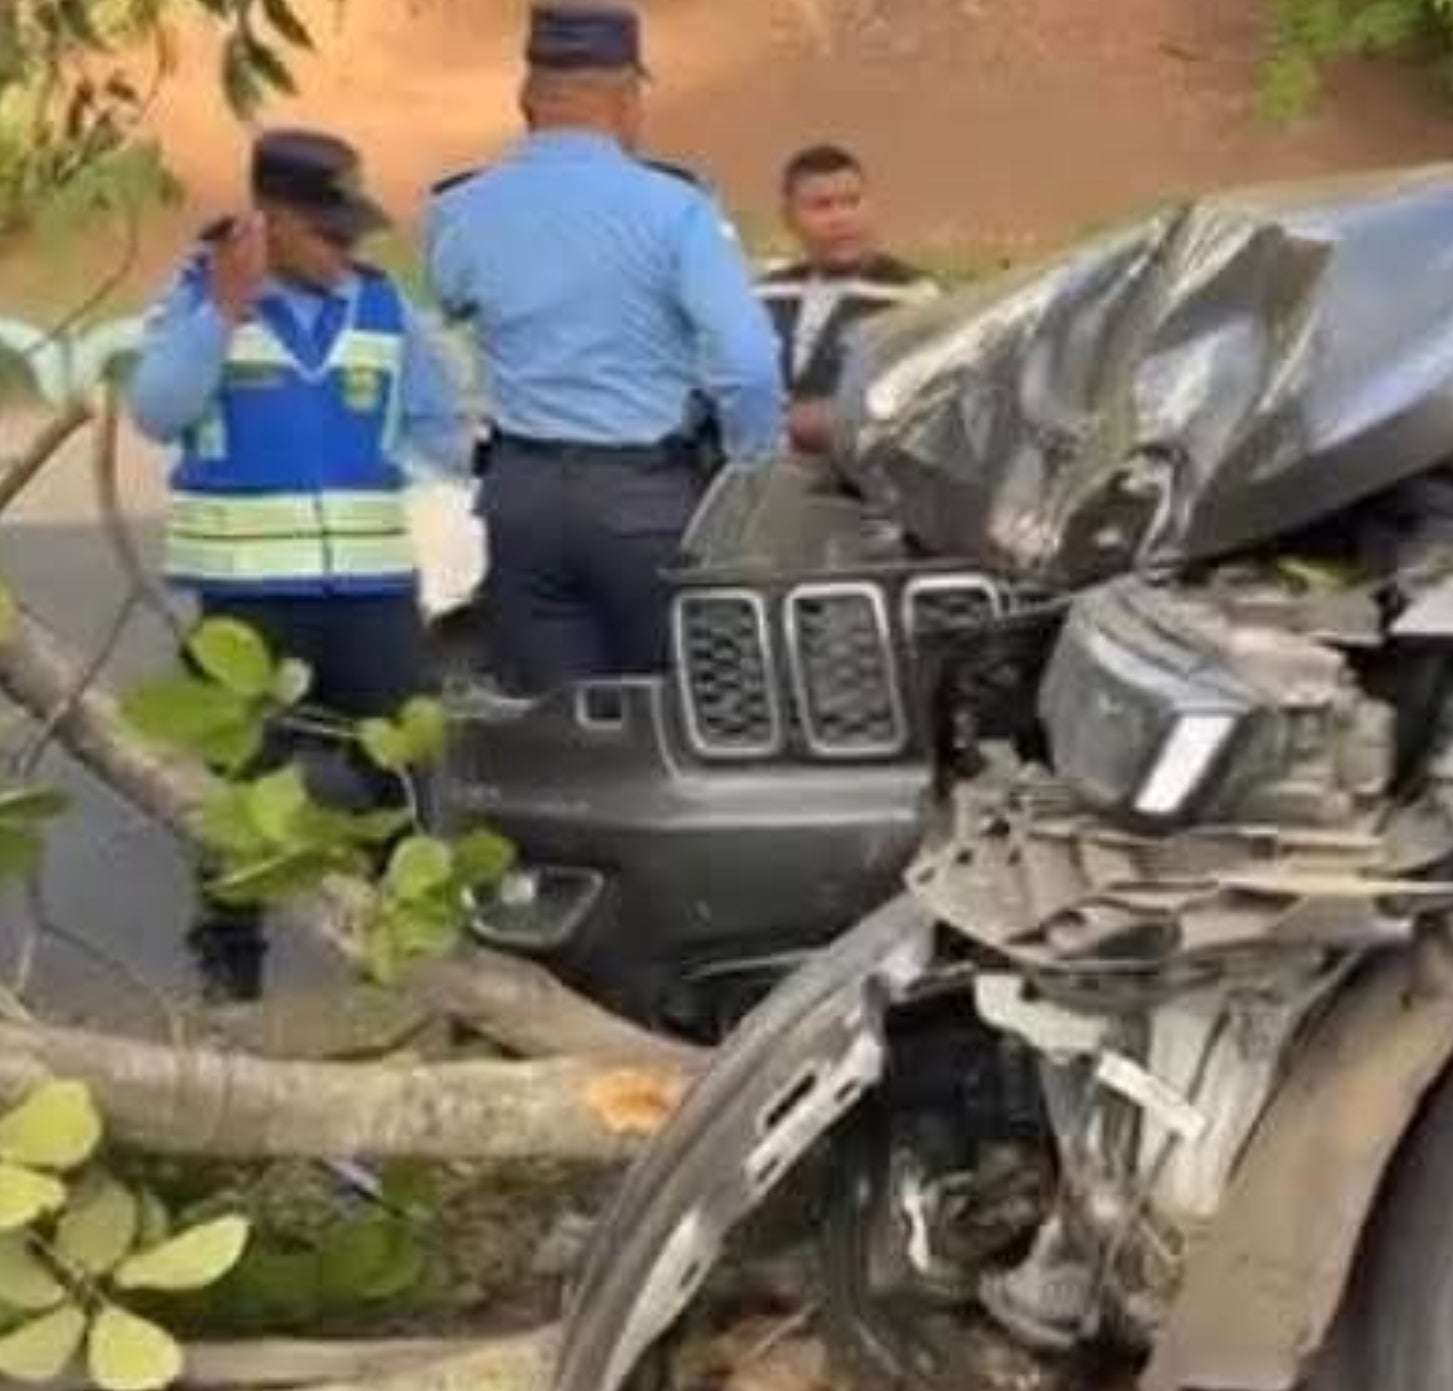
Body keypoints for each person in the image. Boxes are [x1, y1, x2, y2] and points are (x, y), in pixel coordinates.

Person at [126, 128, 472, 1002]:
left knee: (401, 777)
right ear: (270, 221)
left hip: (372, 595)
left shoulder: (386, 310)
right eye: (330, 231)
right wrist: (224, 311)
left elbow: (445, 430)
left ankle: (417, 970)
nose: (349, 248)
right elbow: (157, 411)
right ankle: (230, 977)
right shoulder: (195, 303)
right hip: (247, 603)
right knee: (236, 790)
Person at [425, 0, 782, 694]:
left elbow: (442, 325)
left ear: (526, 98)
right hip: (646, 501)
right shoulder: (677, 208)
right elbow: (746, 362)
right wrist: (751, 469)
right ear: (625, 95)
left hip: (521, 500)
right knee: (682, 715)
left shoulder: (462, 210)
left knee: (554, 733)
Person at [757, 144, 942, 454]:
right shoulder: (764, 295)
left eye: (852, 202)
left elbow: (922, 400)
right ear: (789, 217)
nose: (840, 218)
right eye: (822, 206)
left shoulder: (913, 296)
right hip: (766, 480)